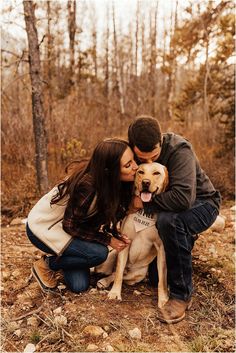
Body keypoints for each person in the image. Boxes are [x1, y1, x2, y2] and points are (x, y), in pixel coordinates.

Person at [128, 116, 221, 324]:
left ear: (160, 141)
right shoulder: (131, 150)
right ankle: (181, 243)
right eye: (142, 159)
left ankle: (181, 295)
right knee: (154, 278)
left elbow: (182, 199)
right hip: (169, 206)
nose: (148, 162)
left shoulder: (180, 150)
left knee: (168, 221)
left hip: (203, 204)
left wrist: (143, 204)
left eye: (154, 156)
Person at [26, 138, 138, 294]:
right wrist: (108, 240)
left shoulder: (113, 183)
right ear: (110, 170)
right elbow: (69, 225)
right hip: (43, 228)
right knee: (99, 253)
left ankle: (64, 256)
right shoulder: (88, 185)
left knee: (79, 286)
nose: (135, 167)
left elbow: (96, 220)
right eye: (128, 165)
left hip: (69, 231)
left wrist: (116, 235)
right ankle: (47, 264)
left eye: (133, 160)